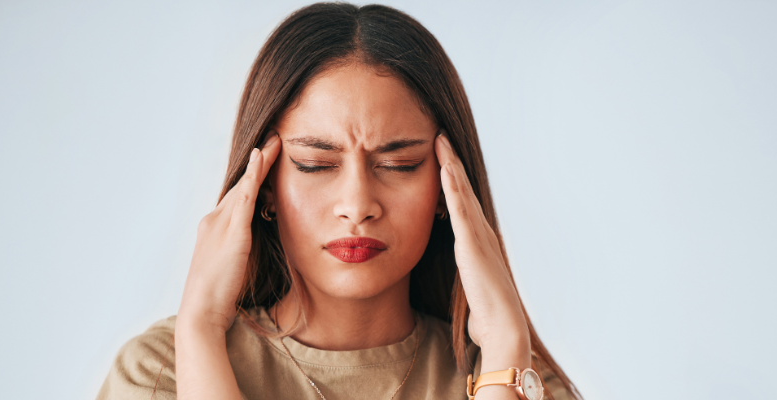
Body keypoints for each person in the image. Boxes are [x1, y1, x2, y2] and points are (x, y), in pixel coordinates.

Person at [97, 3, 581, 399]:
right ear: (263, 185)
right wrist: (200, 332)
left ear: (445, 188)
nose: (357, 205)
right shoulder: (161, 373)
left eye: (398, 165)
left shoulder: (520, 380)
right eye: (316, 164)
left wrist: (504, 346)